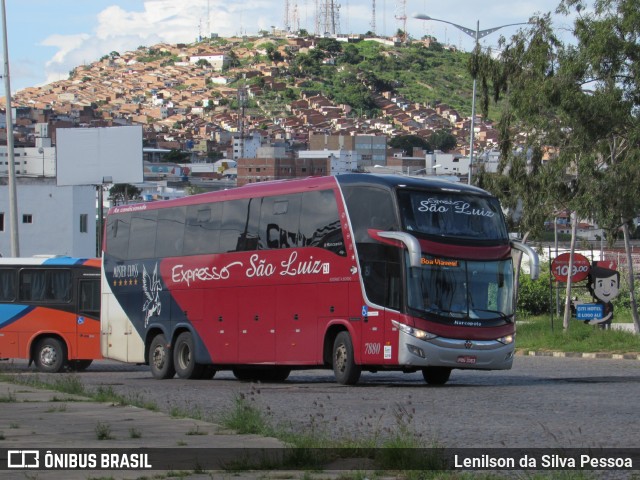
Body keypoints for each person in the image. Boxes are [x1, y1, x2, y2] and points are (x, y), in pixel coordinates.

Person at [585, 264, 620, 329]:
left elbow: (609, 314)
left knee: (607, 325)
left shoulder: (609, 304)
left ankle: (606, 332)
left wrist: (598, 320)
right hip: (601, 319)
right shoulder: (599, 303)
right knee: (603, 326)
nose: (606, 289)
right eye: (601, 284)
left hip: (605, 319)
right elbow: (593, 312)